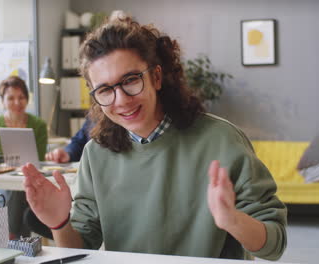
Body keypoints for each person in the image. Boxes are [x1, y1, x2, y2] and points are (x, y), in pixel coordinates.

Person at [22, 17, 286, 260]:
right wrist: (58, 223)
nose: (122, 99)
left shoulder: (222, 140)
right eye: (105, 90)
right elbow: (80, 251)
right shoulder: (95, 154)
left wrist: (232, 220)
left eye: (131, 80)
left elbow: (275, 244)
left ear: (156, 77)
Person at [0, 75, 47, 239]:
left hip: (29, 178)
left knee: (21, 187)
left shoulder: (38, 125)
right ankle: (19, 240)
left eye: (21, 97)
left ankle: (9, 236)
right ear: (2, 101)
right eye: (11, 98)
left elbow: (38, 158)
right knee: (15, 190)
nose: (17, 103)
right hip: (0, 181)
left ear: (27, 99)